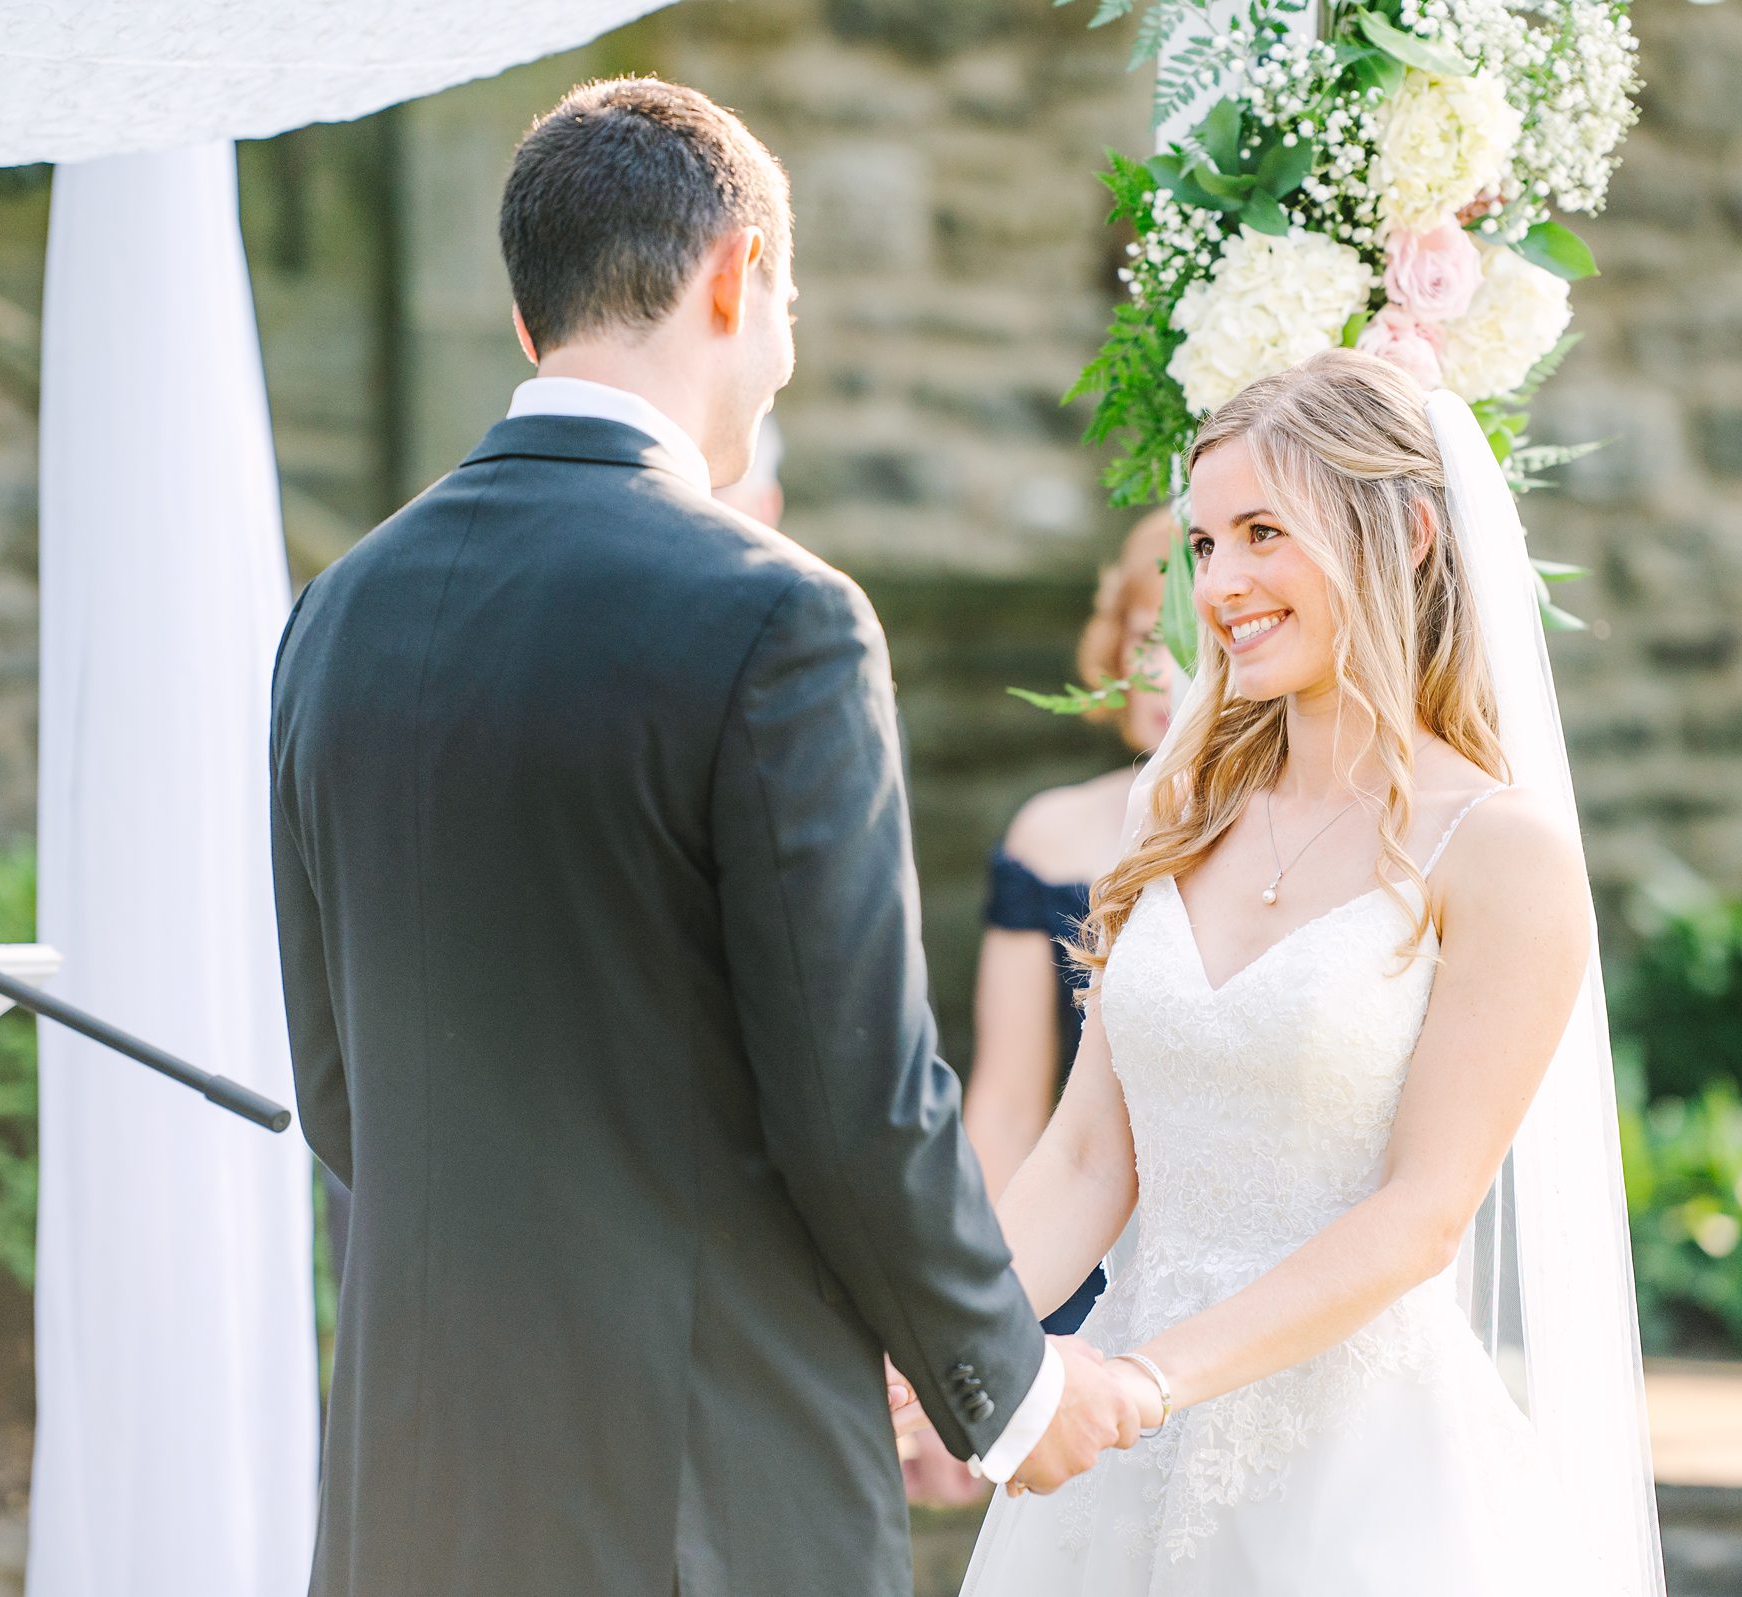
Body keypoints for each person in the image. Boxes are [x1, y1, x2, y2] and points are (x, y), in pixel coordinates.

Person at [268, 77, 1143, 1596]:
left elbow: (340, 1091)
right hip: (695, 1497)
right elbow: (854, 1093)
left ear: (531, 317)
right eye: (787, 299)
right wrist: (1012, 1384)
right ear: (737, 274)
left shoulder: (333, 616)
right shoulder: (776, 613)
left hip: (411, 1486)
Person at [952, 349, 1660, 1592]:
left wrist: (1151, 1382)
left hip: (1358, 1477)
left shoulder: (1500, 850)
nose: (1220, 585)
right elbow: (1084, 1158)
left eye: (1263, 533)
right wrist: (956, 1348)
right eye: (1205, 543)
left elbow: (1421, 1212)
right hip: (1115, 1453)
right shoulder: (1178, 803)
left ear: (1411, 535)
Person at [897, 515, 1172, 1506]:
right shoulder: (1052, 833)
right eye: (1143, 632)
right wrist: (964, 1328)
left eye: (1181, 637)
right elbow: (1010, 1104)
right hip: (1070, 1250)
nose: (1157, 665)